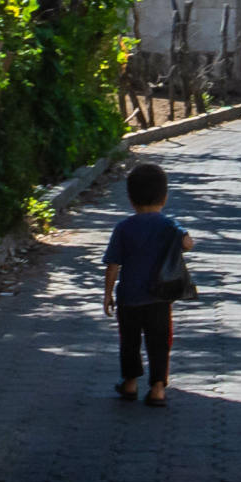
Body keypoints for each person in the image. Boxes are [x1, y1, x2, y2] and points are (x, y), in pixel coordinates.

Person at [101, 160, 188, 406]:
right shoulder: (168, 225)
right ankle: (158, 388)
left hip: (129, 297)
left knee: (129, 341)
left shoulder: (123, 228)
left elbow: (113, 264)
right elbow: (187, 242)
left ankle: (130, 384)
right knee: (159, 341)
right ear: (165, 196)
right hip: (159, 297)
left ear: (130, 198)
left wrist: (108, 294)